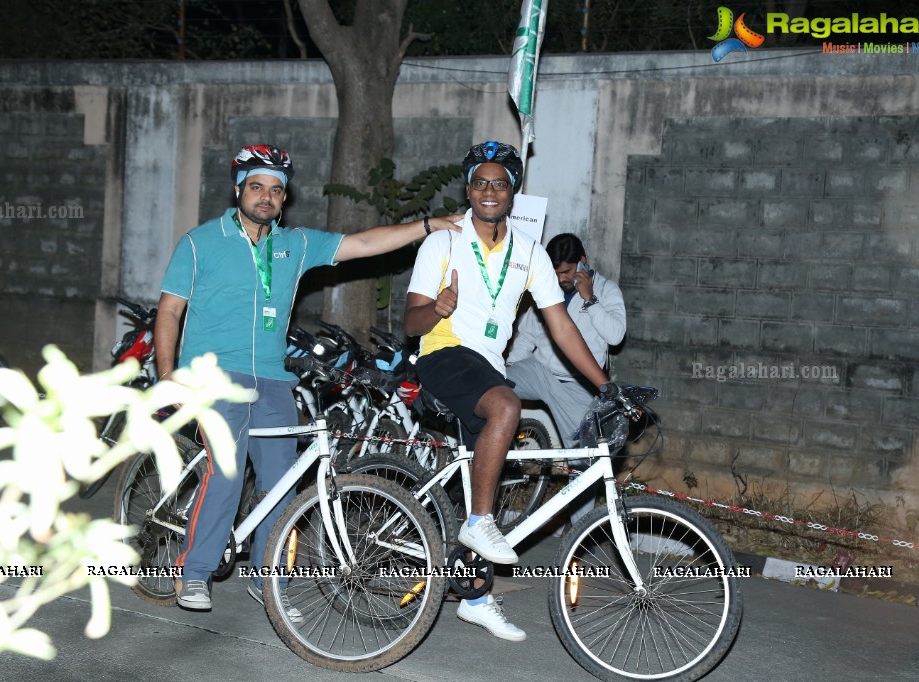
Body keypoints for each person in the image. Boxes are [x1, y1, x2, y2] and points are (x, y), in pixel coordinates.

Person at [155, 144, 459, 611]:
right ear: (239, 189)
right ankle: (194, 574)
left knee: (281, 480)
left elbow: (362, 243)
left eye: (276, 190)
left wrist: (427, 226)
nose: (266, 197)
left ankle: (266, 579)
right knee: (228, 471)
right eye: (257, 187)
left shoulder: (293, 245)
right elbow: (170, 311)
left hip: (274, 379)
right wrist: (167, 375)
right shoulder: (199, 243)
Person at [405, 141, 611, 642]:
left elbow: (561, 327)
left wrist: (606, 386)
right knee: (508, 407)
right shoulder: (443, 243)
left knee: (487, 475)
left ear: (513, 191)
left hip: (488, 367)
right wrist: (439, 307)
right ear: (469, 189)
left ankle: (474, 597)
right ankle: (477, 522)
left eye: (499, 182)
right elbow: (410, 321)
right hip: (443, 356)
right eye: (480, 182)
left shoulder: (529, 253)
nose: (489, 190)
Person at [506, 232, 626, 523]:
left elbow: (616, 335)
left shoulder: (607, 290)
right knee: (491, 384)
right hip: (539, 370)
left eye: (567, 271)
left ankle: (578, 539)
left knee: (584, 464)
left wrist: (590, 300)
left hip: (578, 386)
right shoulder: (548, 288)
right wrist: (510, 367)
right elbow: (528, 334)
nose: (561, 278)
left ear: (582, 263)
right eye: (555, 272)